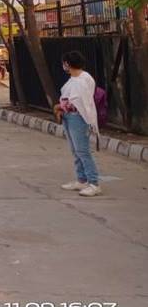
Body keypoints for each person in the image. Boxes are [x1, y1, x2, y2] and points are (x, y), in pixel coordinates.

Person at [54, 51, 102, 197]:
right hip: (69, 116)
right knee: (76, 151)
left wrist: (60, 106)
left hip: (78, 118)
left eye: (64, 63)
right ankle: (82, 179)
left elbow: (78, 101)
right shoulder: (75, 79)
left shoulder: (82, 80)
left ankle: (94, 183)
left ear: (67, 64)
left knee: (82, 151)